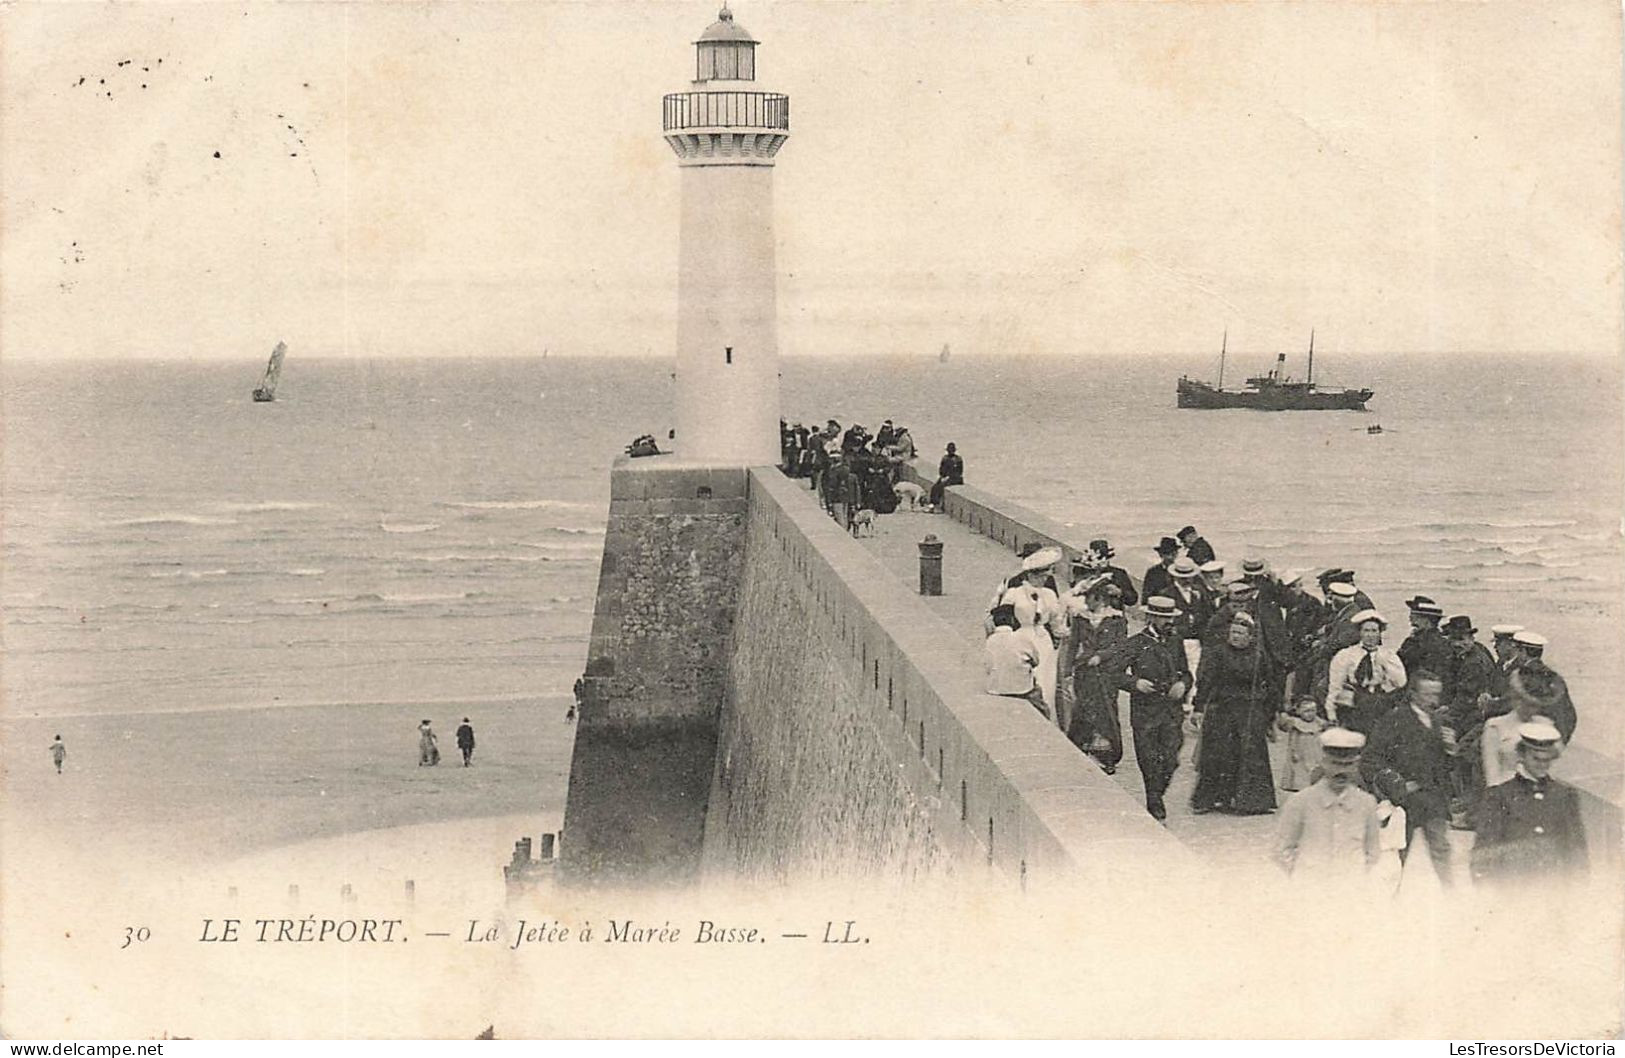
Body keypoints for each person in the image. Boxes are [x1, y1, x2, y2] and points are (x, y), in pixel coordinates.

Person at [1361, 672, 1456, 886]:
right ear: (1413, 694)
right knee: (1398, 852)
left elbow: (1443, 765)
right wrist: (1396, 784)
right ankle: (1389, 899)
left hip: (1432, 798)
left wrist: (1450, 751)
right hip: (1405, 800)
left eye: (1436, 694)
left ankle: (1452, 898)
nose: (1433, 700)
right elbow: (1371, 759)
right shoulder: (1395, 719)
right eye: (1427, 694)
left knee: (1441, 848)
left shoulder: (1437, 721)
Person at [1470, 721, 1588, 887]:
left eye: (1547, 760)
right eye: (1536, 759)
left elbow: (1577, 849)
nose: (1542, 765)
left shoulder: (1564, 796)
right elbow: (1485, 850)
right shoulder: (1499, 796)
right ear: (1522, 755)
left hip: (1555, 891)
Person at [1106, 596, 1191, 821]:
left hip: (1172, 709)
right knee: (1149, 758)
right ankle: (1154, 800)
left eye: (1170, 618)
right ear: (1151, 617)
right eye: (1163, 618)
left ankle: (1157, 791)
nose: (1168, 622)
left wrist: (1183, 684)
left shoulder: (1175, 640)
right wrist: (1135, 683)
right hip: (1146, 710)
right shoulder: (1136, 643)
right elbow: (1113, 673)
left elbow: (1186, 672)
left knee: (1171, 757)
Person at [1189, 613, 1277, 815]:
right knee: (1219, 753)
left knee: (1250, 755)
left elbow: (1270, 683)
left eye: (1240, 633)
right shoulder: (1218, 653)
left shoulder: (1259, 655)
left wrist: (1270, 713)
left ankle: (1251, 802)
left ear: (1250, 636)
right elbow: (1206, 682)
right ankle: (1211, 800)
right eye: (1233, 632)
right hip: (1223, 709)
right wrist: (1199, 707)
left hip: (1250, 710)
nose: (1235, 637)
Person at [1273, 728, 1383, 888]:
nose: (1341, 771)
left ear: (1356, 765)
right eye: (1336, 764)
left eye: (1348, 765)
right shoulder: (1301, 801)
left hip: (1350, 888)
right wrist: (1303, 876)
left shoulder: (1366, 803)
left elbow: (1373, 851)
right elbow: (1281, 849)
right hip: (1310, 888)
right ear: (1323, 762)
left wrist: (1355, 876)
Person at [1063, 573, 1129, 774]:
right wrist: (1068, 672)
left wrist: (1101, 656)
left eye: (1089, 597)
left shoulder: (1117, 619)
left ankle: (1108, 756)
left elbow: (1120, 646)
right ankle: (1080, 748)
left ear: (1100, 598)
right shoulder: (1081, 618)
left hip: (1106, 673)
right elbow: (1073, 646)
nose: (1085, 602)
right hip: (1085, 672)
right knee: (1083, 709)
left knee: (1106, 711)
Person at [990, 547, 1066, 716]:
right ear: (1031, 575)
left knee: (1047, 683)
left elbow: (1056, 621)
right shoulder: (1014, 593)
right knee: (1028, 677)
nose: (1044, 580)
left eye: (1046, 576)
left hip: (1044, 642)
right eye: (1040, 576)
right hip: (1022, 637)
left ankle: (1047, 713)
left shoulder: (1049, 595)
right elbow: (1002, 616)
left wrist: (1061, 634)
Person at [1325, 610, 1407, 735]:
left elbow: (1400, 682)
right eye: (1366, 630)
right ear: (1359, 633)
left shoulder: (1388, 656)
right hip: (1354, 703)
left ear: (1380, 633)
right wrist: (1331, 713)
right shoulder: (1346, 655)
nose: (1370, 635)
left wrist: (1385, 663)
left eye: (1374, 631)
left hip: (1380, 702)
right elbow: (1335, 685)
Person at [1505, 632, 1577, 743]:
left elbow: (1509, 704)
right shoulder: (1554, 676)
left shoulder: (1524, 676)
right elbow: (1569, 715)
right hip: (1552, 739)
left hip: (1529, 738)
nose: (1516, 656)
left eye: (1518, 651)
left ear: (1523, 652)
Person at [1480, 679, 1552, 789]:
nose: (1530, 709)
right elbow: (1492, 772)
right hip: (1507, 791)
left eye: (1534, 705)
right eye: (1526, 703)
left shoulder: (1545, 724)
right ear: (1515, 699)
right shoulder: (1496, 726)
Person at [984, 603, 1048, 719]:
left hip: (996, 688)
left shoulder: (990, 640)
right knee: (1043, 708)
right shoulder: (1021, 638)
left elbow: (988, 666)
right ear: (1012, 620)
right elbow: (1036, 661)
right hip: (1021, 689)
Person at [1396, 596, 1452, 691]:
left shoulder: (1433, 643)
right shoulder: (1414, 640)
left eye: (1415, 616)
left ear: (1427, 620)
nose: (1410, 619)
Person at [1279, 698, 1326, 793]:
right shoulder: (1296, 723)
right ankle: (1299, 784)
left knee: (1314, 766)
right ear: (1299, 712)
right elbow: (1293, 740)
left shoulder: (1317, 722)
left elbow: (1324, 727)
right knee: (1300, 768)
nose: (1310, 714)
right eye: (1306, 711)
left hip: (1314, 750)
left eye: (1313, 711)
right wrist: (1294, 751)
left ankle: (1315, 782)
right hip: (1301, 751)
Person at [1086, 539, 1138, 607]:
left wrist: (1119, 592)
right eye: (1099, 558)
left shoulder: (1119, 574)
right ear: (1091, 558)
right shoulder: (1085, 573)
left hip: (1113, 615)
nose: (1104, 560)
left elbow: (1132, 599)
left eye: (1106, 557)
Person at [1142, 536, 1181, 603]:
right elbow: (1147, 596)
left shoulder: (1182, 570)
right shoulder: (1153, 572)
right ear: (1161, 554)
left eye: (1174, 553)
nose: (1171, 556)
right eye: (1167, 553)